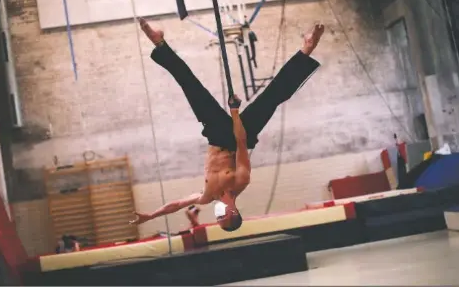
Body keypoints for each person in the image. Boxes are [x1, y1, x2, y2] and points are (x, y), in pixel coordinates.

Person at [130, 18, 325, 232]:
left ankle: (159, 43)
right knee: (273, 96)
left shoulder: (207, 196)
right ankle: (308, 47)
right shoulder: (240, 180)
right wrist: (234, 111)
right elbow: (241, 142)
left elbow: (177, 205)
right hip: (241, 134)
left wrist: (151, 215)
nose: (218, 215)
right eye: (223, 217)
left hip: (216, 136)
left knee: (192, 87)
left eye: (218, 219)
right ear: (234, 212)